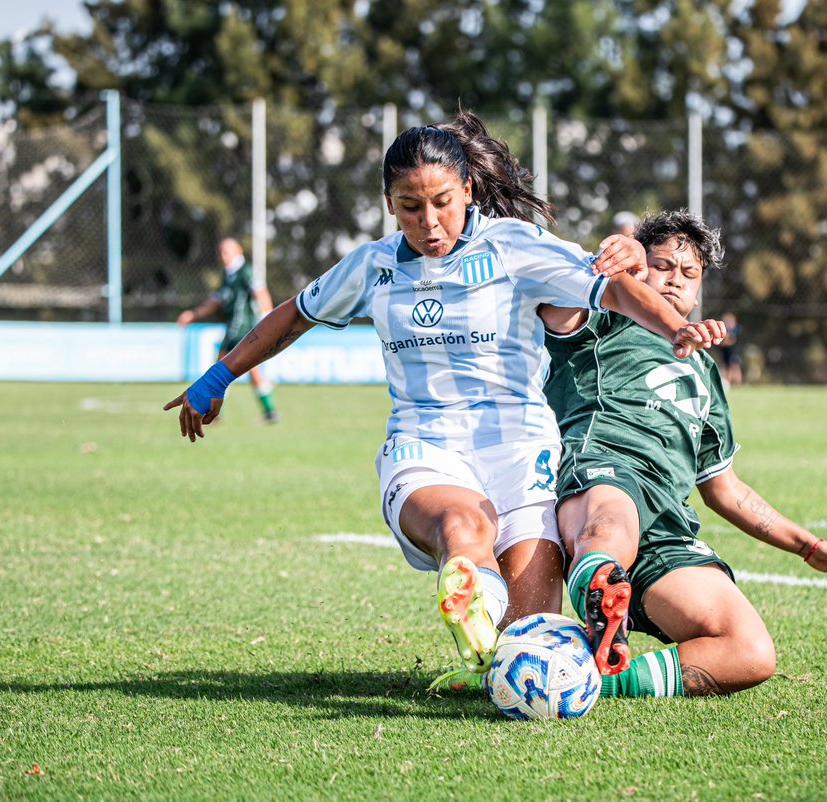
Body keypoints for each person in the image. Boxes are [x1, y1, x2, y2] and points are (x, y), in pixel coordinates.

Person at [163, 113, 722, 688]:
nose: (429, 222)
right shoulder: (373, 265)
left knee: (529, 643)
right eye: (410, 206)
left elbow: (611, 287)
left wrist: (674, 325)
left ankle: (484, 652)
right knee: (463, 525)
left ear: (469, 190)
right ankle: (468, 592)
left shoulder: (514, 246)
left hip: (520, 451)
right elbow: (295, 314)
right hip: (425, 445)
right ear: (388, 203)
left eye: (442, 202)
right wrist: (218, 377)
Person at [540, 210, 827, 697]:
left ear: (700, 290)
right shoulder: (600, 319)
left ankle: (591, 680)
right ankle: (600, 585)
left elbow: (724, 488)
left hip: (668, 523)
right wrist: (613, 254)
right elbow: (553, 299)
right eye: (662, 265)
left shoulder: (704, 370)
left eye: (689, 273)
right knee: (613, 527)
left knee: (750, 651)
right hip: (604, 473)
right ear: (639, 266)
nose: (675, 280)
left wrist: (807, 546)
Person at [176, 238, 280, 423]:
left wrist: (268, 321)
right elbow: (215, 301)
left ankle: (213, 413)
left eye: (227, 251)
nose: (223, 256)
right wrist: (193, 315)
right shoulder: (228, 275)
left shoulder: (245, 272)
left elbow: (261, 294)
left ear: (238, 251)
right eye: (221, 252)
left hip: (242, 329)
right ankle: (269, 411)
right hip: (234, 328)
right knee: (249, 370)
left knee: (220, 368)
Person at [718, 312, 743, 388]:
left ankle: (737, 383)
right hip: (725, 351)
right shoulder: (724, 329)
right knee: (725, 366)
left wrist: (727, 341)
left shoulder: (735, 329)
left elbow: (733, 340)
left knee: (735, 366)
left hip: (733, 351)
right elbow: (722, 342)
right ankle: (727, 382)